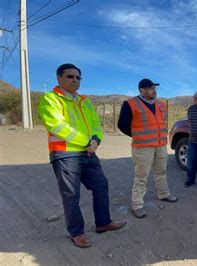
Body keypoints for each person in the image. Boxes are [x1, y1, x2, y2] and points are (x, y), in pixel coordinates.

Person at [38, 63, 126, 248]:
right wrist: (87, 142)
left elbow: (95, 124)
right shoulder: (50, 99)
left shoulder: (85, 101)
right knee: (71, 195)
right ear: (59, 78)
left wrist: (95, 140)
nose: (75, 80)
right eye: (70, 76)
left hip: (88, 152)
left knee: (101, 185)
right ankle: (77, 233)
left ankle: (103, 223)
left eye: (78, 77)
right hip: (65, 154)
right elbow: (58, 127)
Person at [118, 78, 178, 219]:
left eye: (155, 88)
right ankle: (137, 205)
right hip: (143, 147)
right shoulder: (130, 104)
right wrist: (138, 135)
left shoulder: (160, 104)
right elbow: (122, 125)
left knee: (161, 171)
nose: (154, 91)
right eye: (151, 88)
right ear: (142, 90)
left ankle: (164, 194)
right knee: (141, 177)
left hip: (161, 145)